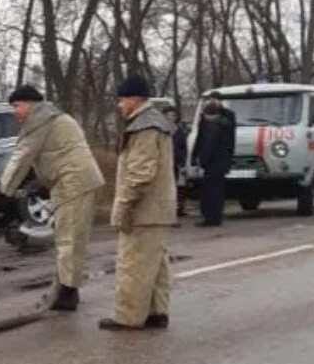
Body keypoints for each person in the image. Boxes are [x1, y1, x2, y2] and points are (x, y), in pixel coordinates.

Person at [0, 84, 105, 312]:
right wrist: (45, 183)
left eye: (16, 106)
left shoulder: (39, 120)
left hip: (73, 183)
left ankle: (67, 292)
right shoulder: (54, 117)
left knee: (69, 239)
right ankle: (65, 288)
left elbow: (22, 157)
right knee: (69, 237)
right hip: (76, 181)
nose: (13, 111)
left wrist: (2, 191)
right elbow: (55, 153)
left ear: (29, 104)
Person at [101, 75, 177, 331]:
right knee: (155, 263)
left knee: (132, 263)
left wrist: (123, 206)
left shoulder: (143, 127)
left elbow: (140, 174)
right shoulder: (157, 123)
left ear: (135, 99)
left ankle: (128, 317)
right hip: (158, 208)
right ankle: (157, 311)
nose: (119, 105)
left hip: (144, 210)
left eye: (122, 100)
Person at [192, 93, 236, 226]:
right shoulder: (214, 122)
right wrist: (195, 156)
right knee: (213, 190)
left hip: (215, 162)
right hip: (217, 161)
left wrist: (201, 159)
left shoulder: (223, 120)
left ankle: (212, 217)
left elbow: (209, 143)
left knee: (212, 191)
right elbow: (200, 139)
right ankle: (213, 216)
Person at [162, 105, 189, 217]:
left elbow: (183, 147)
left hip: (175, 163)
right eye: (168, 115)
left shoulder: (179, 131)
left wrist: (182, 161)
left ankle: (175, 210)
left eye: (173, 115)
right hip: (163, 163)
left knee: (175, 188)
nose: (171, 118)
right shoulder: (160, 130)